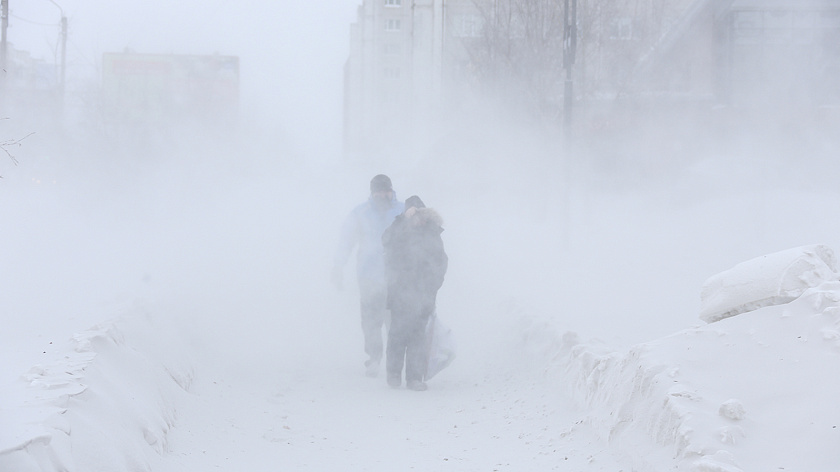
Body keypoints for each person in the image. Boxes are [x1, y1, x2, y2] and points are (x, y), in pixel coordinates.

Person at [333, 174, 404, 377]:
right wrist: (338, 265)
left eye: (386, 191)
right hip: (368, 276)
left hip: (397, 276)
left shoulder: (401, 211)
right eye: (379, 192)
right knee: (371, 321)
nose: (383, 195)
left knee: (395, 321)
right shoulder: (360, 213)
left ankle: (395, 359)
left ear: (391, 191)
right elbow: (346, 241)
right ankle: (374, 358)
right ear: (372, 193)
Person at [382, 195, 448, 391]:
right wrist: (402, 220)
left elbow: (441, 262)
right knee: (397, 334)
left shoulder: (433, 234)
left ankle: (414, 378)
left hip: (424, 295)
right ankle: (393, 374)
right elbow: (386, 240)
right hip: (399, 292)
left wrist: (433, 286)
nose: (418, 220)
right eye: (413, 215)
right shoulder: (399, 230)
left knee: (418, 336)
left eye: (421, 215)